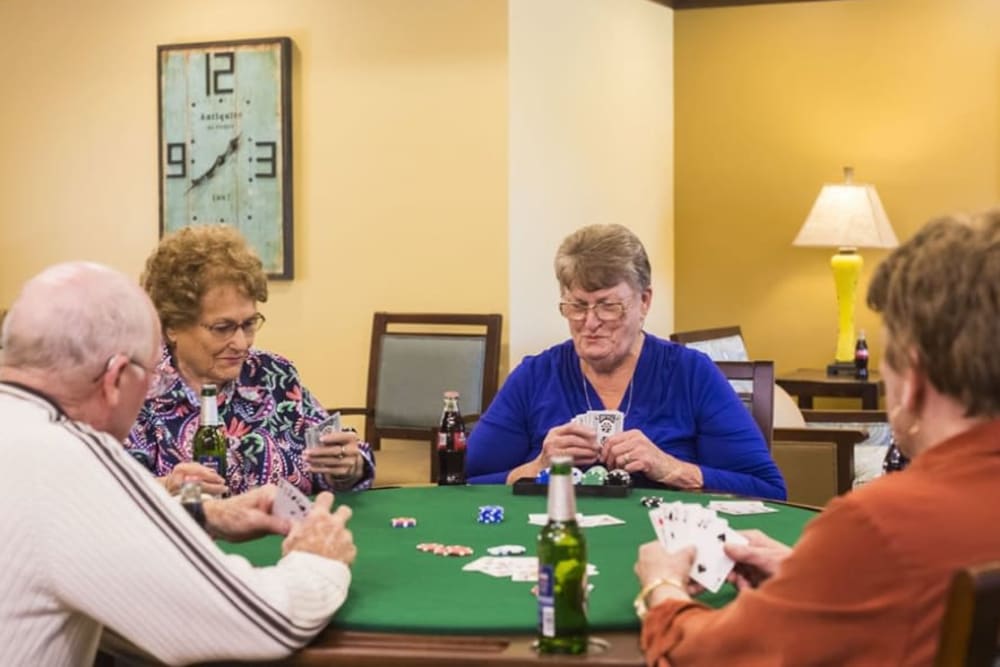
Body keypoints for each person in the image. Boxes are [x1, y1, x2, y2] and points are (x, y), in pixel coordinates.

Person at [634, 210, 1000, 665]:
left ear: (915, 377)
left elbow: (706, 655)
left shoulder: (878, 524)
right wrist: (814, 577)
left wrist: (662, 586)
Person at [0, 262, 357, 665]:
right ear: (117, 379)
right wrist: (318, 557)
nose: (239, 341)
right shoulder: (71, 457)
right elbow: (264, 623)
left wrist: (202, 515)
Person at [466, 224, 786, 500]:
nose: (590, 322)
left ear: (644, 301)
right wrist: (536, 469)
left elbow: (768, 490)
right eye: (576, 306)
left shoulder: (691, 374)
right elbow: (460, 483)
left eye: (608, 306)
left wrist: (669, 468)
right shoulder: (534, 377)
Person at [127, 225, 374, 496]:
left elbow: (333, 463)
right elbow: (104, 495)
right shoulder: (135, 393)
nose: (242, 344)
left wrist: (348, 465)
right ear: (171, 325)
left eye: (249, 324)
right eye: (222, 328)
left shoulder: (275, 375)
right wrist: (164, 489)